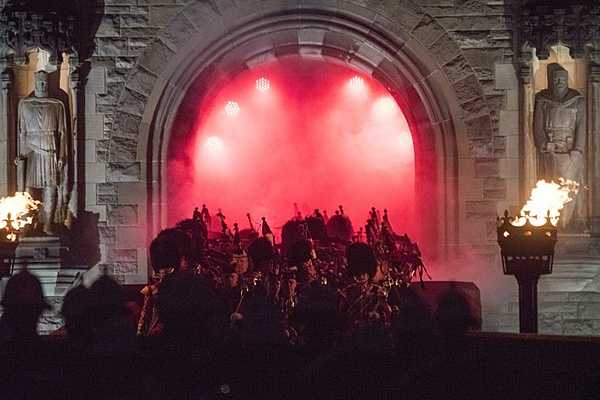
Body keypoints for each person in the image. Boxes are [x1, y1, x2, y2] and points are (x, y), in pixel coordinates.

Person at [16, 70, 69, 234]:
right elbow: (21, 133)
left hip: (50, 154)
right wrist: (20, 155)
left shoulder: (56, 105)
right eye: (40, 82)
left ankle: (48, 224)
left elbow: (62, 133)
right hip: (31, 154)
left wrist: (61, 156)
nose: (43, 85)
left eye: (45, 82)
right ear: (35, 82)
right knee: (29, 190)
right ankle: (27, 225)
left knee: (51, 188)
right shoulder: (25, 105)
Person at [533, 63, 586, 229]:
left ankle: (570, 222)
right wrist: (544, 144)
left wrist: (578, 150)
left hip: (570, 152)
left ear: (567, 80)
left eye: (562, 78)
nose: (559, 82)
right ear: (551, 80)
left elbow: (582, 126)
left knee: (569, 188)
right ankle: (549, 222)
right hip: (550, 151)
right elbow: (537, 126)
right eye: (556, 79)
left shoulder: (577, 101)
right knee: (550, 185)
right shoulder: (543, 100)